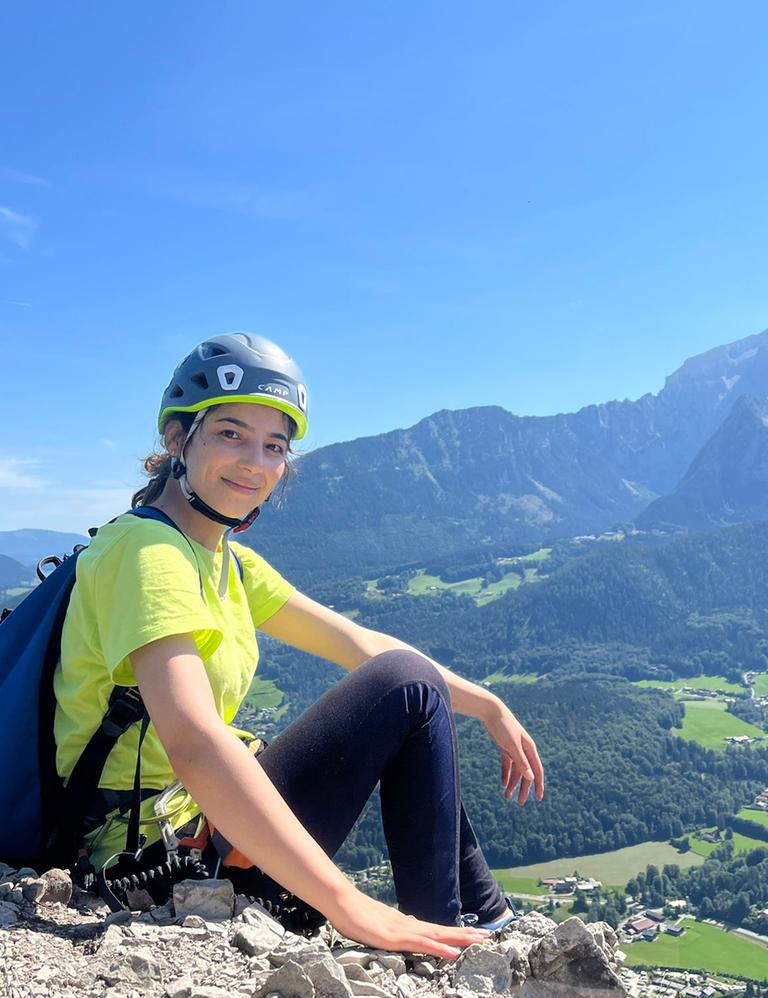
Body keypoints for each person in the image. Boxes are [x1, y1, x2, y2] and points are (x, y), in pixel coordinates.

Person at [53, 332, 544, 958]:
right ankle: (456, 938)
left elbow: (362, 644)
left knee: (408, 685)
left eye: (274, 445)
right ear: (177, 440)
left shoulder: (223, 560)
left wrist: (489, 705)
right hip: (148, 861)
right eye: (230, 433)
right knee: (409, 686)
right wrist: (350, 904)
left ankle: (474, 920)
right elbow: (195, 742)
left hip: (201, 828)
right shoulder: (146, 553)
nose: (254, 462)